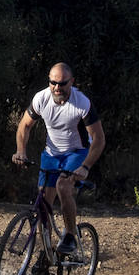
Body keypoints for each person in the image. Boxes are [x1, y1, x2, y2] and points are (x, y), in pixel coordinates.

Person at [12, 62, 106, 258]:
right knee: (43, 202)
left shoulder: (82, 103)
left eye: (62, 83)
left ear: (71, 82)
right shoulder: (41, 98)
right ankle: (46, 253)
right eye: (53, 83)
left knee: (63, 186)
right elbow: (24, 126)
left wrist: (86, 167)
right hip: (51, 153)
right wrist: (21, 151)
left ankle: (70, 236)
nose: (57, 88)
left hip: (77, 152)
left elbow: (98, 139)